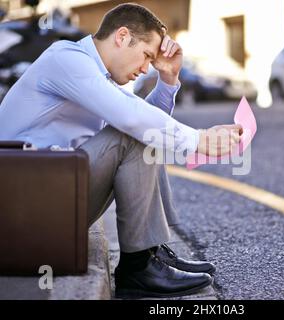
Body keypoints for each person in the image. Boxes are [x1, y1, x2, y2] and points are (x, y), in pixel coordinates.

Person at [0, 3, 242, 298]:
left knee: (142, 135)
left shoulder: (98, 76)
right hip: (21, 210)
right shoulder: (66, 59)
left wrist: (167, 79)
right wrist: (199, 140)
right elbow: (132, 121)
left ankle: (149, 253)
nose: (144, 69)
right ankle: (138, 266)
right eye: (147, 57)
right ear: (123, 36)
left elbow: (141, 122)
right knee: (135, 133)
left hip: (44, 200)